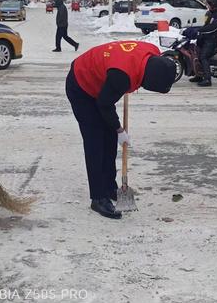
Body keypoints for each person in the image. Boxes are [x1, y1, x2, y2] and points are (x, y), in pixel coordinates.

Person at [66, 41, 176, 219]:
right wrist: (119, 130)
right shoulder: (122, 77)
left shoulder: (152, 51)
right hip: (81, 84)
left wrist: (114, 131)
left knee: (108, 139)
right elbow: (104, 104)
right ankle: (98, 197)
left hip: (104, 80)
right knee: (95, 141)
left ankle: (109, 187)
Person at [188, 0, 217, 87]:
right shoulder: (210, 13)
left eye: (209, 4)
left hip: (214, 39)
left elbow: (212, 28)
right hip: (208, 37)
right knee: (196, 51)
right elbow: (205, 25)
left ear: (214, 4)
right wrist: (194, 29)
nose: (208, 5)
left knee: (203, 56)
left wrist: (199, 31)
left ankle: (207, 79)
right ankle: (199, 75)